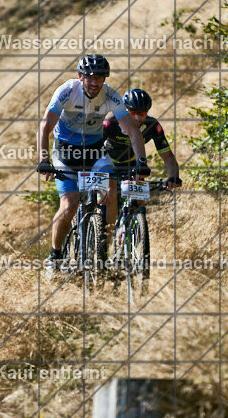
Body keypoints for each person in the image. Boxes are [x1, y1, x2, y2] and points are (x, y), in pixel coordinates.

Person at [36, 55, 150, 271]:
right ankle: (55, 256)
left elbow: (133, 131)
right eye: (90, 77)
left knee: (110, 193)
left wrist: (141, 161)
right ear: (81, 77)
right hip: (66, 153)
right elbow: (45, 127)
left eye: (99, 77)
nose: (95, 82)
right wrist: (43, 159)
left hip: (95, 152)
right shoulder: (67, 91)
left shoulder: (111, 95)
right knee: (69, 204)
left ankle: (103, 247)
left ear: (105, 79)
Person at [102, 88, 182, 232]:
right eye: (133, 112)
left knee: (139, 200)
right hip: (108, 160)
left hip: (133, 163)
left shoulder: (153, 126)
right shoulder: (110, 122)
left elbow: (167, 155)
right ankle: (106, 237)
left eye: (142, 113)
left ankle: (133, 234)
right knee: (110, 193)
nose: (137, 117)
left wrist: (173, 176)